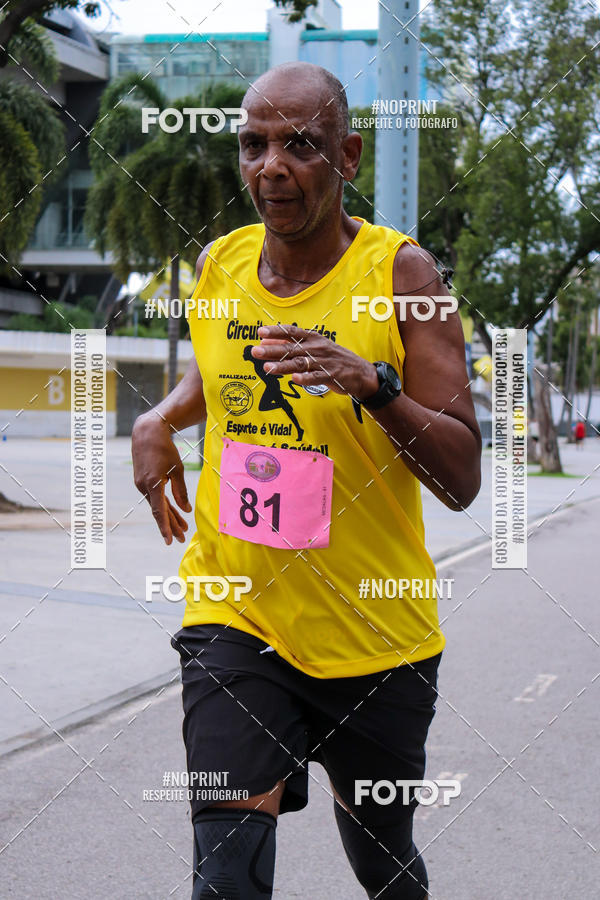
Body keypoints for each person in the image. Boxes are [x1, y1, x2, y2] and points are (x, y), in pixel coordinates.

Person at [132, 62, 481, 900]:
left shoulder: (405, 278)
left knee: (381, 857)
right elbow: (221, 373)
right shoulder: (221, 266)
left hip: (376, 635)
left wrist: (375, 385)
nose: (271, 167)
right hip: (237, 618)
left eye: (301, 146)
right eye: (253, 145)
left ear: (349, 157)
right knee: (226, 872)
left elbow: (464, 473)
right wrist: (159, 421)